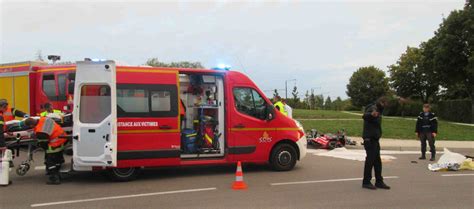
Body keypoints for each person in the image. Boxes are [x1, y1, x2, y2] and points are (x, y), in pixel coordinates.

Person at [24, 117, 67, 185]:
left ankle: (54, 178)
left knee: (50, 161)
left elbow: (44, 144)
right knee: (57, 158)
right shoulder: (44, 119)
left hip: (55, 143)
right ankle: (58, 171)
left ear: (31, 125)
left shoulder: (40, 132)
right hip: (63, 138)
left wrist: (38, 144)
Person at [362, 97, 390, 190]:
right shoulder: (373, 108)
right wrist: (371, 115)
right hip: (369, 139)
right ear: (381, 102)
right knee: (370, 160)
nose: (385, 106)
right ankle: (366, 182)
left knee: (377, 161)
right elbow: (365, 116)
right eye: (384, 103)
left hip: (375, 139)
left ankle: (379, 181)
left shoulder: (379, 110)